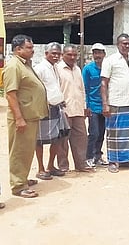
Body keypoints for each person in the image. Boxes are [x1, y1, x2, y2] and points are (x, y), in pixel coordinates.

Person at [3, 34, 48, 198]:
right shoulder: (14, 66)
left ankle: (22, 178)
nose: (33, 50)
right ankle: (18, 186)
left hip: (31, 116)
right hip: (22, 118)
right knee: (19, 151)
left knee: (27, 150)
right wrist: (19, 118)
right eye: (29, 47)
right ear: (18, 49)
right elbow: (10, 94)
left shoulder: (25, 64)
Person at [101, 33, 129, 173]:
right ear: (118, 45)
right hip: (115, 103)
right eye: (124, 43)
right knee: (115, 134)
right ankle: (113, 161)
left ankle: (125, 160)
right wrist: (105, 104)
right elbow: (103, 83)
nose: (127, 46)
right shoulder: (110, 60)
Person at [34, 42, 69, 180]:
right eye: (53, 53)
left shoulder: (54, 67)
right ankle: (41, 168)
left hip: (57, 107)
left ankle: (50, 166)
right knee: (39, 140)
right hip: (44, 108)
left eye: (58, 54)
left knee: (57, 138)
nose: (56, 56)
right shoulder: (40, 68)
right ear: (46, 53)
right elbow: (36, 89)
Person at [56, 44, 93, 172]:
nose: (72, 57)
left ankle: (81, 165)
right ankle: (63, 167)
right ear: (62, 55)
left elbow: (82, 90)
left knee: (81, 138)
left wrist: (84, 107)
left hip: (78, 110)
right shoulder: (57, 69)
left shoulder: (77, 69)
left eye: (74, 55)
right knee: (62, 141)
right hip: (64, 111)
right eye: (69, 55)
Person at [83, 43, 109, 167]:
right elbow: (85, 89)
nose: (97, 55)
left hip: (105, 106)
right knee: (94, 133)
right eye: (95, 53)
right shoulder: (88, 69)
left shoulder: (108, 68)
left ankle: (98, 156)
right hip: (93, 105)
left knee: (102, 132)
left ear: (104, 54)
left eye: (100, 53)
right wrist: (86, 106)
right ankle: (89, 157)